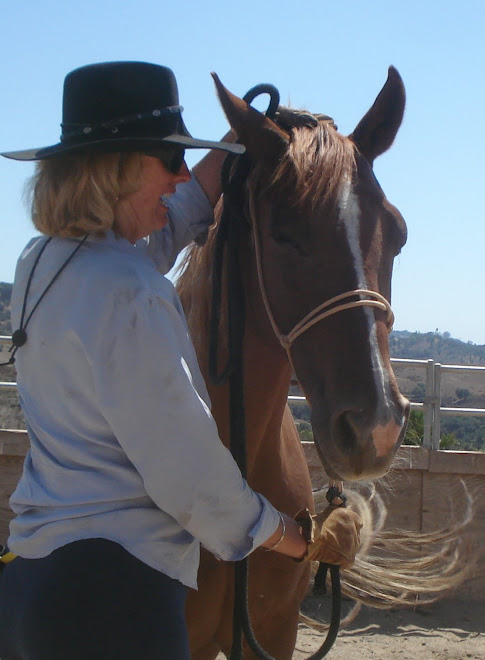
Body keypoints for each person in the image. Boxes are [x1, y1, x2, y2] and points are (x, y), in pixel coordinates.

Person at [0, 61, 362, 659]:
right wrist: (298, 542)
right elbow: (192, 482)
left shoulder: (41, 264)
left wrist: (235, 145)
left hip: (32, 586)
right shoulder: (133, 294)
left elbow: (146, 243)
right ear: (114, 172)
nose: (180, 176)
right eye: (169, 160)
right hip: (116, 606)